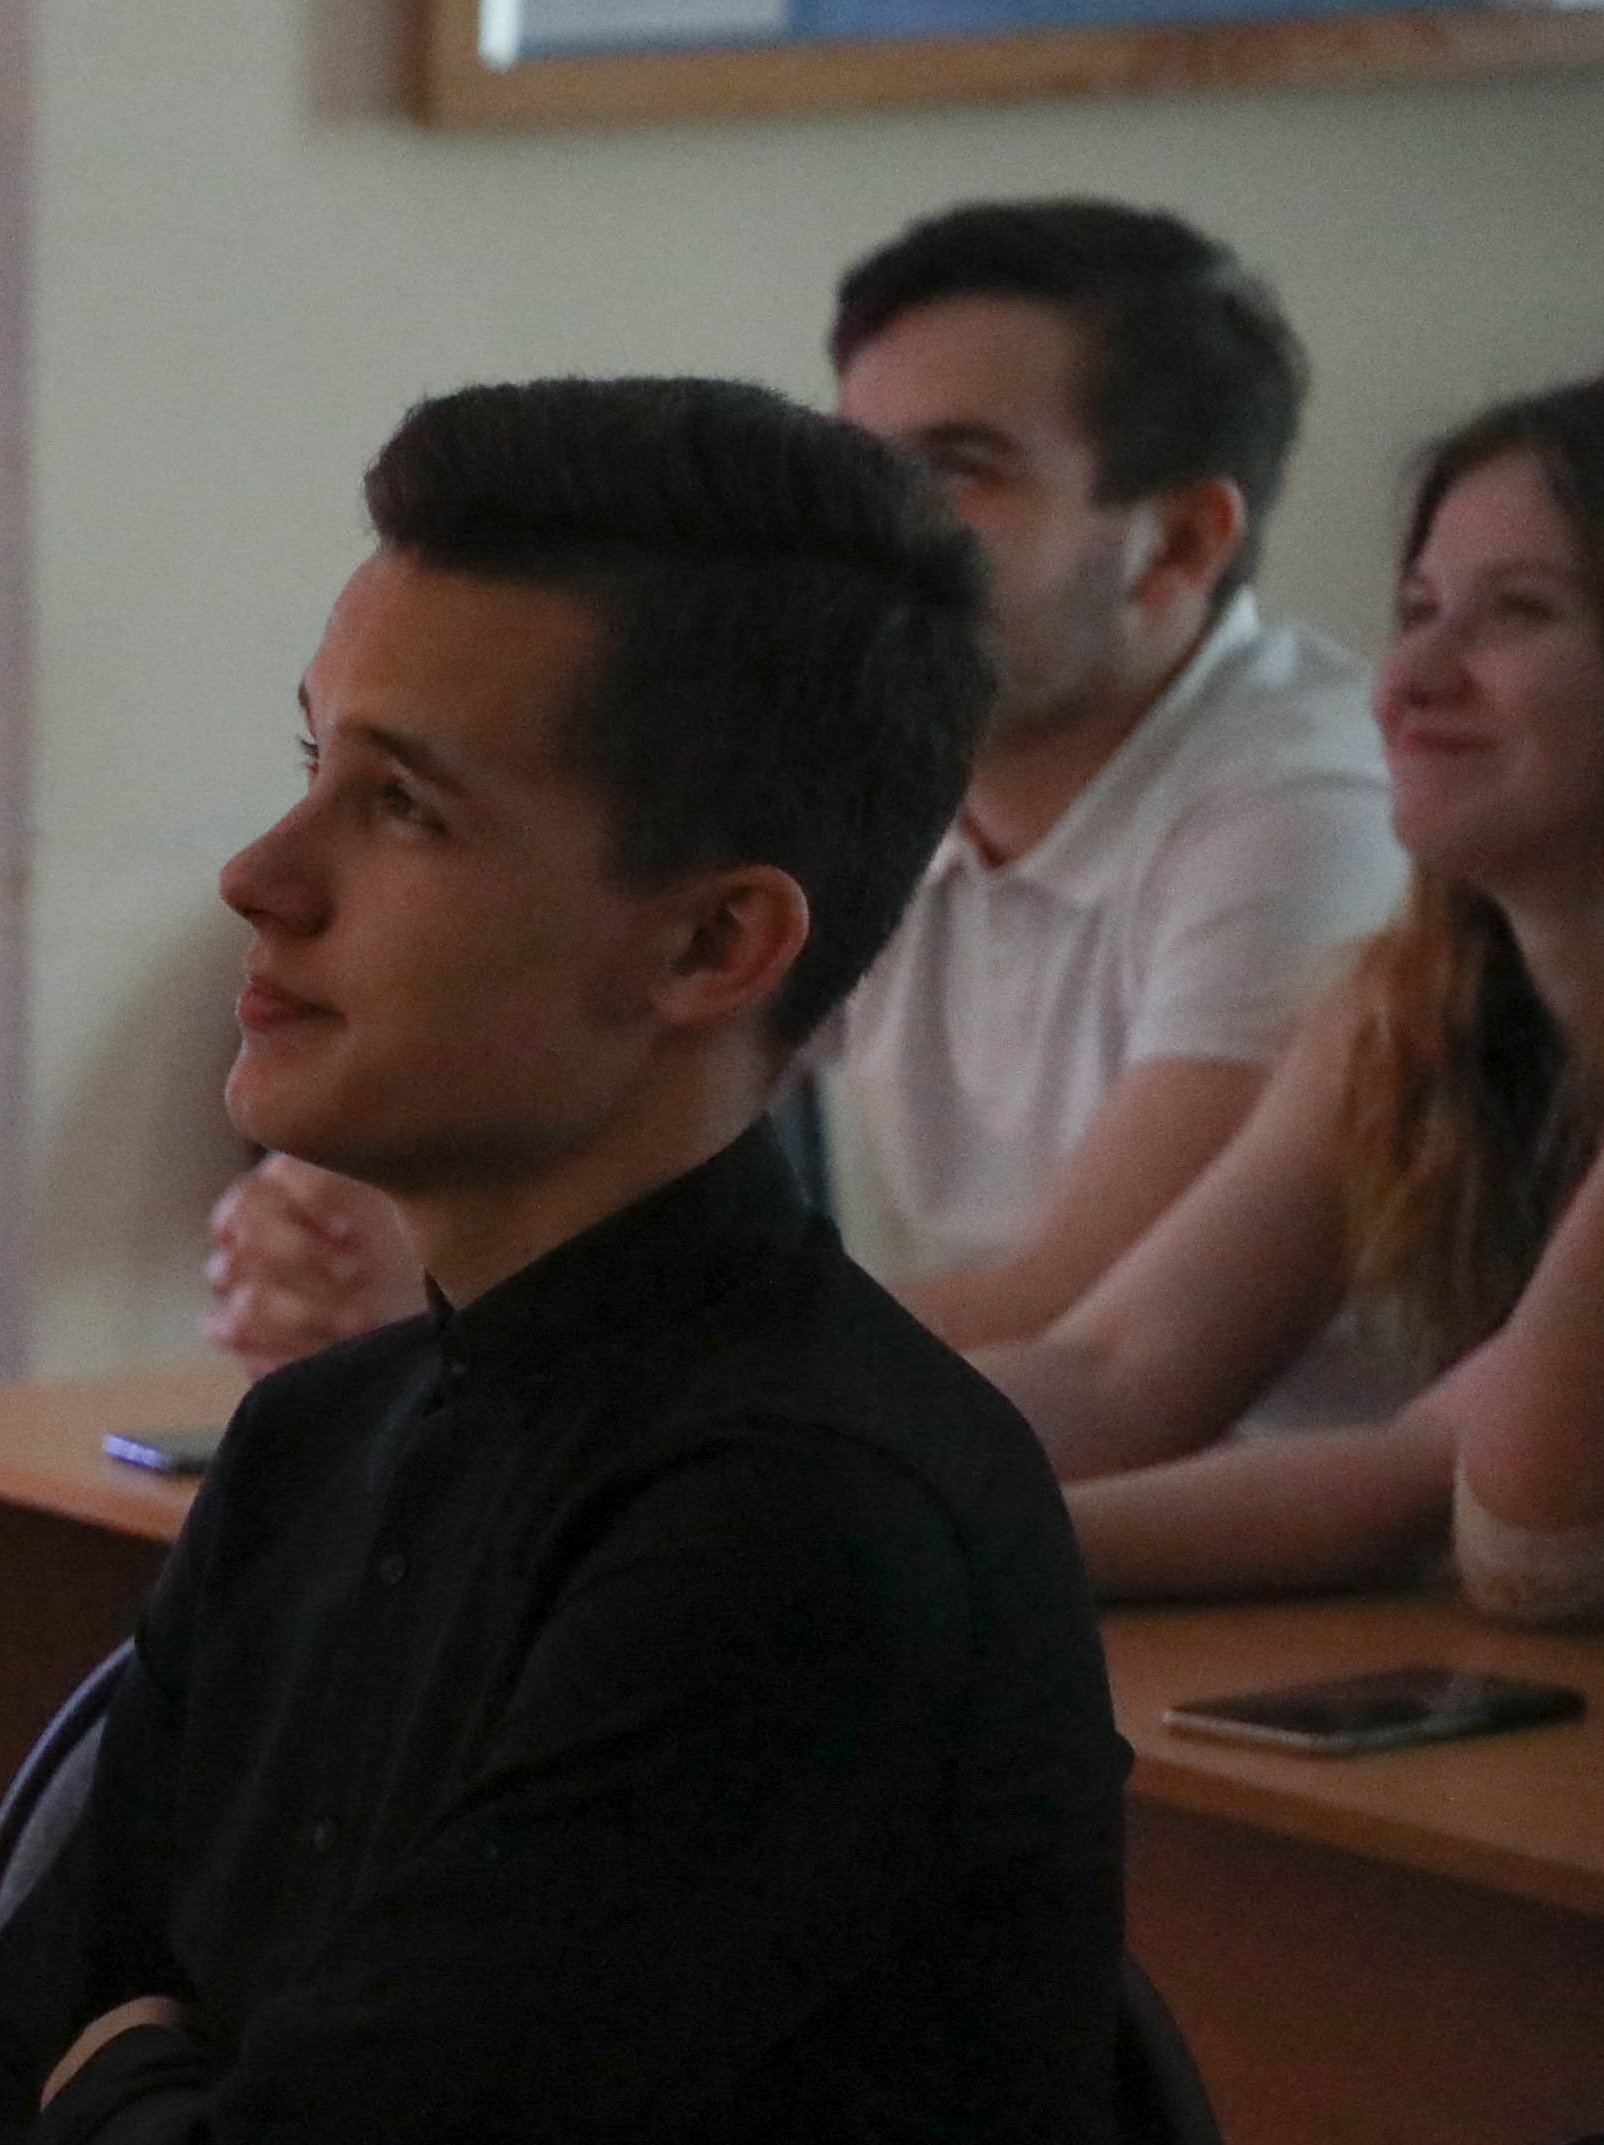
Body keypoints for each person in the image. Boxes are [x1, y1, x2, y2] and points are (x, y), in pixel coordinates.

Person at [0, 379, 1125, 2145]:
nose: (262, 874)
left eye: (404, 808)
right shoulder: (321, 1439)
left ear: (710, 945)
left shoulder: (800, 1529)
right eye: (308, 766)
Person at [207, 201, 1395, 1375]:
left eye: (958, 468)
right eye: (861, 461)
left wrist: (505, 1324)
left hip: (1193, 1482)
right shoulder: (903, 744)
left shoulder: (1314, 807)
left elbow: (1079, 1311)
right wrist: (323, 1220)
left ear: (1180, 541)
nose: (876, 526)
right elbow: (596, 1047)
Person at [979, 375, 1604, 1621]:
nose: (1407, 675)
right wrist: (736, 1462)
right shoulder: (1401, 1003)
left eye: (1519, 611)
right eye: (1416, 610)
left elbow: (1502, 1515)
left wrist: (885, 1541)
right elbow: (1116, 1370)